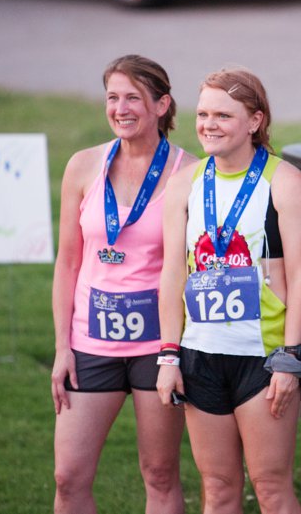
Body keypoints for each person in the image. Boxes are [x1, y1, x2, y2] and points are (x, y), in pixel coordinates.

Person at [156, 66, 301, 514]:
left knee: (270, 487)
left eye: (223, 115)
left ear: (255, 121)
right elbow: (172, 272)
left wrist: (291, 358)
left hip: (262, 357)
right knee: (219, 487)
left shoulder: (285, 182)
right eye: (203, 113)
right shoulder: (184, 183)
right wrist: (169, 355)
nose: (208, 124)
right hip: (199, 353)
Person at [51, 54, 197, 514]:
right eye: (112, 97)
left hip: (159, 346)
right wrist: (61, 346)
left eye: (133, 97)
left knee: (158, 474)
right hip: (90, 343)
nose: (121, 108)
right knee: (68, 476)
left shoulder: (188, 173)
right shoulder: (82, 166)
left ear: (161, 105)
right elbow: (67, 262)